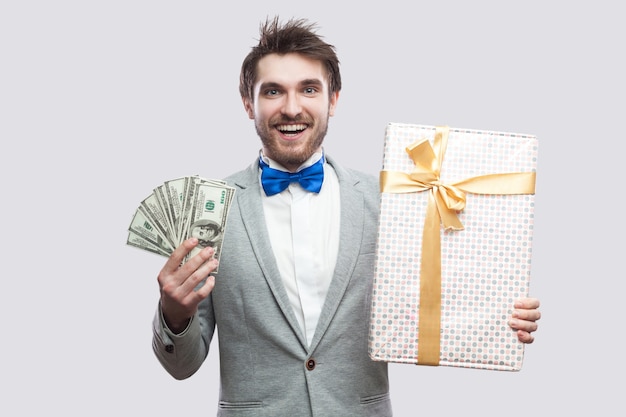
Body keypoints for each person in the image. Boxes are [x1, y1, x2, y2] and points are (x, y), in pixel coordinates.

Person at [152, 17, 541, 417]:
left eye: (308, 89)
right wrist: (173, 313)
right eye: (273, 91)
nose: (291, 107)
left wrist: (499, 315)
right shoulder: (206, 210)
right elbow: (182, 366)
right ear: (248, 102)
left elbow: (444, 295)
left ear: (333, 100)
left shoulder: (389, 202)